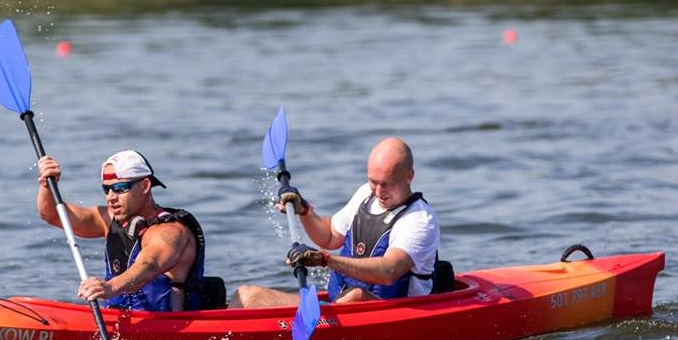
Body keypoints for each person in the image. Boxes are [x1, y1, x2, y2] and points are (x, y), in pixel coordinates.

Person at [229, 137, 440, 308]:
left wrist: (324, 260)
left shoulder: (419, 220)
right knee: (245, 295)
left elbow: (388, 272)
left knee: (356, 295)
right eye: (373, 182)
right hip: (340, 306)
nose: (378, 192)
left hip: (392, 311)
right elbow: (329, 236)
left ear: (409, 176)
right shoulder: (365, 195)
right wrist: (304, 210)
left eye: (386, 184)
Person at [37, 149, 206, 311]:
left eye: (119, 188)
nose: (111, 197)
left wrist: (110, 287)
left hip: (168, 328)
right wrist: (47, 185)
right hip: (120, 321)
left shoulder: (169, 231)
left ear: (145, 186)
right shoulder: (109, 220)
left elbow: (149, 265)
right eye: (106, 189)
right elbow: (53, 215)